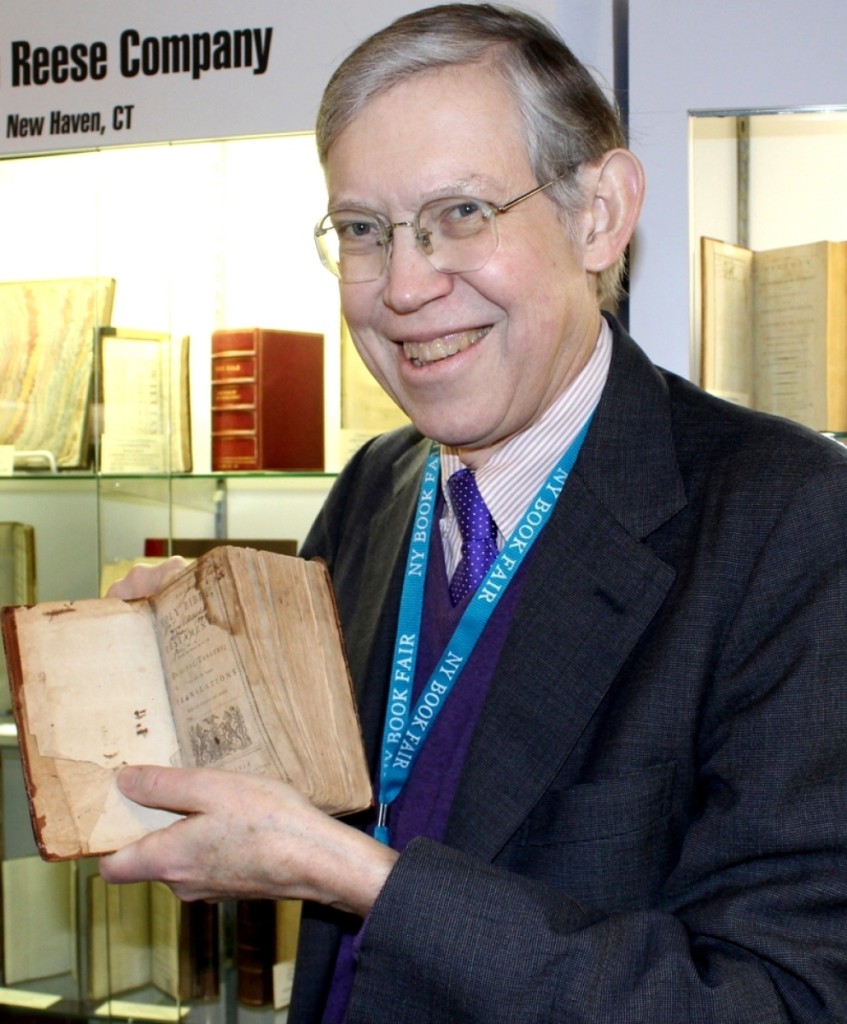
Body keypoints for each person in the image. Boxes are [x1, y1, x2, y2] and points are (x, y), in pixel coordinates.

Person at [100, 4, 847, 1021]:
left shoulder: (790, 522)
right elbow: (333, 789)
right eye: (364, 230)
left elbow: (782, 999)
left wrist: (369, 880)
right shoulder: (375, 486)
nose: (404, 286)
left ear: (600, 213)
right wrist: (196, 663)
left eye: (460, 214)